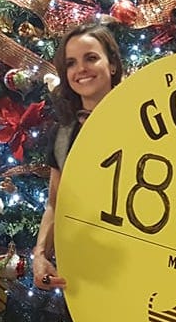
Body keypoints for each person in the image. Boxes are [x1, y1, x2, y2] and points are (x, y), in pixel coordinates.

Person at [33, 22, 123, 291]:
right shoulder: (63, 134)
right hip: (86, 272)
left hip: (138, 263)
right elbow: (55, 204)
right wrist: (40, 255)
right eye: (71, 63)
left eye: (91, 58)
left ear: (112, 65)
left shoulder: (146, 120)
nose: (80, 69)